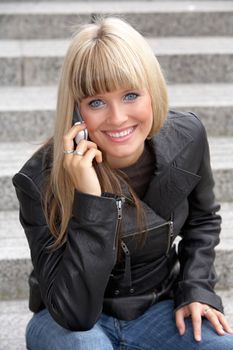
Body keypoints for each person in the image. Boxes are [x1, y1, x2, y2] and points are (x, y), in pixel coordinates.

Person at [13, 16, 233, 350]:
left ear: (152, 91)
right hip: (70, 323)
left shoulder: (188, 138)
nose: (117, 118)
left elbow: (203, 219)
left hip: (158, 306)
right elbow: (75, 314)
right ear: (75, 110)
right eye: (96, 102)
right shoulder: (39, 179)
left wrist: (196, 288)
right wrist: (90, 198)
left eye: (131, 95)